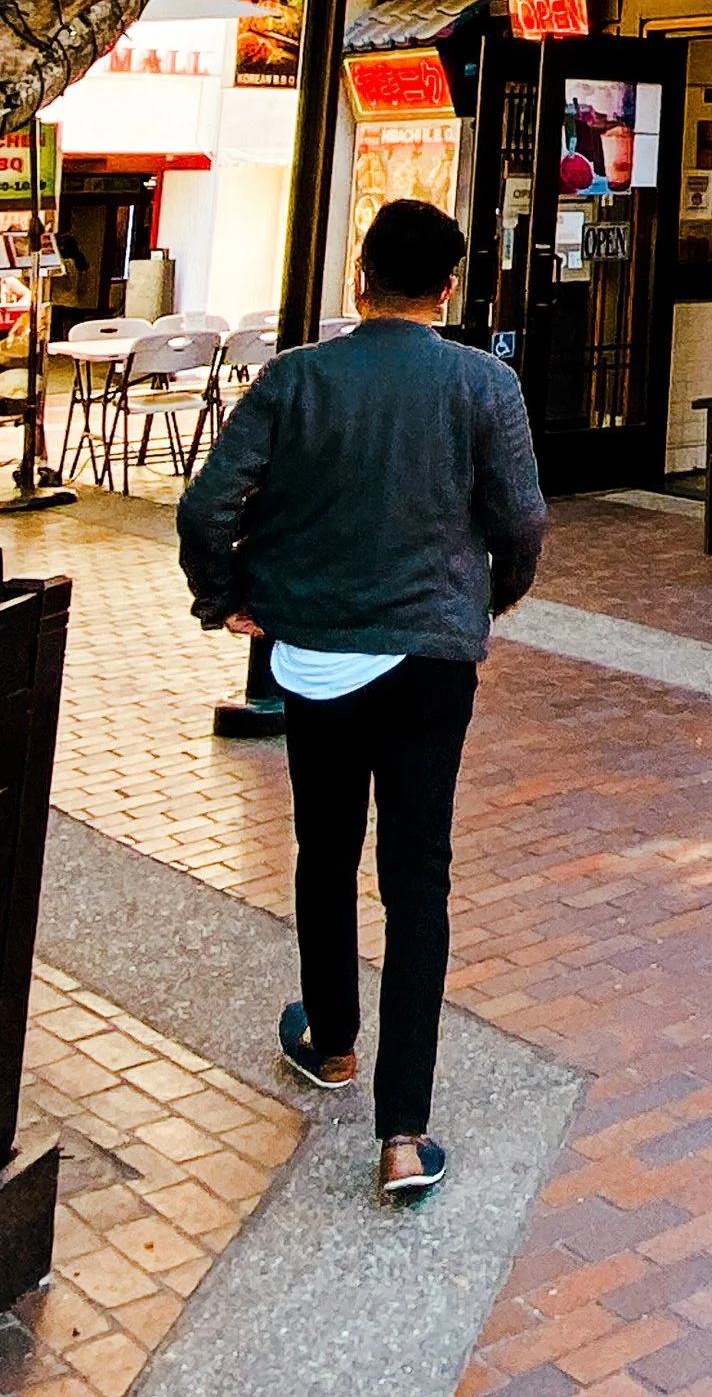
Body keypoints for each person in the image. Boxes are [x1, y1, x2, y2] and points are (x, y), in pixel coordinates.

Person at [177, 199, 545, 1203]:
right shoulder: (485, 383)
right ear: (450, 287)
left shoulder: (297, 377)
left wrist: (230, 598)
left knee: (325, 847)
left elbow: (208, 503)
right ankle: (402, 1134)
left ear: (360, 279)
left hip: (317, 650)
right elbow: (521, 519)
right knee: (418, 876)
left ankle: (330, 1039)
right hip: (432, 651)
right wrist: (485, 599)